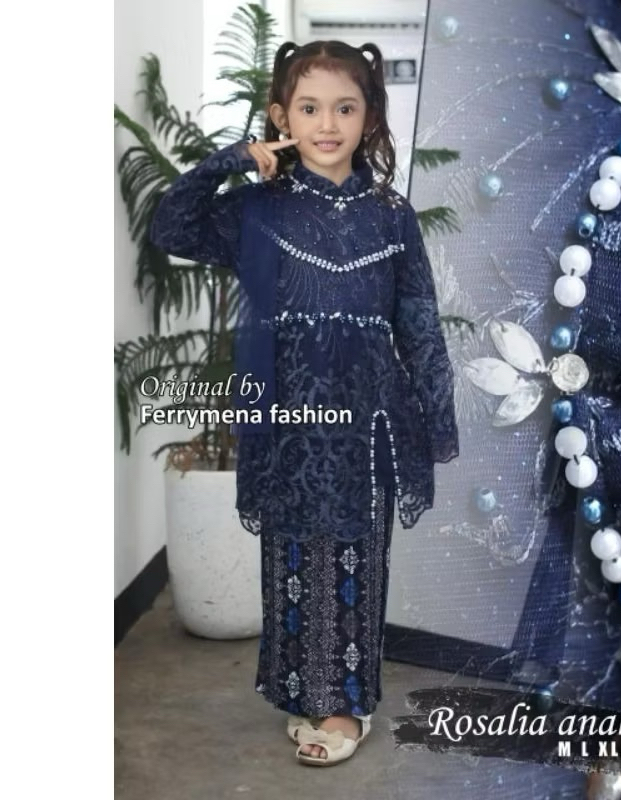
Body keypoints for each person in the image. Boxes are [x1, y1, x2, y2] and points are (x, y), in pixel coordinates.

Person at [150, 40, 459, 766]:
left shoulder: (391, 216)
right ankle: (309, 697)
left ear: (369, 117)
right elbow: (170, 226)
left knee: (355, 560)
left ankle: (346, 710)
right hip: (289, 420)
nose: (327, 124)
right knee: (293, 558)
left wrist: (436, 423)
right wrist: (232, 160)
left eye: (345, 108)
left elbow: (419, 324)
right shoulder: (258, 211)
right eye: (310, 108)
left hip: (369, 421)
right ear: (280, 116)